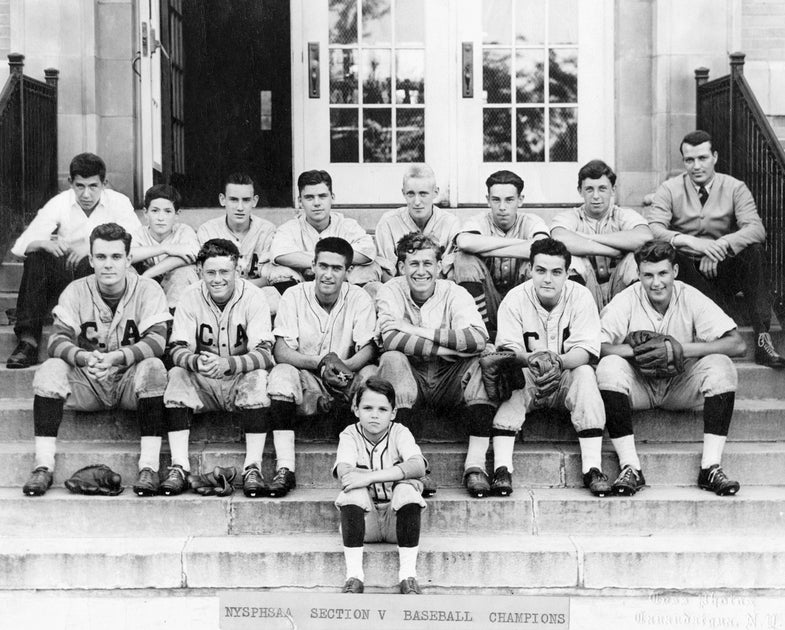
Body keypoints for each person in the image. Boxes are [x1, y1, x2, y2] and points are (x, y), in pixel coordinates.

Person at [21, 223, 170, 497]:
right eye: (100, 257)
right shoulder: (76, 290)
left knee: (154, 367)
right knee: (51, 368)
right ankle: (43, 465)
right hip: (88, 380)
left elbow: (158, 341)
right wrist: (84, 357)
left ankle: (149, 467)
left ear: (128, 259)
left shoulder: (147, 289)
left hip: (128, 381)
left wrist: (115, 357)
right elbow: (56, 340)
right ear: (90, 260)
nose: (108, 265)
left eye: (116, 257)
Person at [596, 242, 746, 496]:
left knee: (722, 366)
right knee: (609, 367)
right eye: (648, 275)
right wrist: (639, 351)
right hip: (640, 385)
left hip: (680, 384)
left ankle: (710, 466)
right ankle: (631, 466)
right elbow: (595, 346)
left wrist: (678, 349)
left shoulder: (689, 295)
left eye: (663, 273)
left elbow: (737, 343)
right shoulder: (627, 298)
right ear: (639, 274)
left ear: (675, 271)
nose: (656, 283)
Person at [645, 129, 784, 368]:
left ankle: (762, 338)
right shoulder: (669, 189)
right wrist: (691, 242)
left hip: (722, 268)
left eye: (702, 158)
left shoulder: (734, 187)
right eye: (689, 160)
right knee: (671, 253)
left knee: (754, 251)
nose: (696, 166)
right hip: (689, 273)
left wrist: (721, 244)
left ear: (715, 157)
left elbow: (756, 228)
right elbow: (654, 229)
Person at [375, 232, 496, 498]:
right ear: (401, 267)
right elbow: (392, 340)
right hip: (412, 376)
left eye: (428, 264)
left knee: (483, 361)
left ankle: (475, 466)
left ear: (439, 267)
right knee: (391, 360)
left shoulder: (455, 292)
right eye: (413, 263)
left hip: (449, 377)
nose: (421, 271)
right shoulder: (390, 290)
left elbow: (477, 339)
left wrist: (415, 330)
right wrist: (448, 348)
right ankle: (409, 464)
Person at [492, 238, 611, 497]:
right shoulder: (514, 298)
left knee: (585, 374)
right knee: (512, 375)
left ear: (567, 273)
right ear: (529, 270)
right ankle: (502, 468)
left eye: (556, 272)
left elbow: (586, 351)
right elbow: (508, 352)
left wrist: (558, 361)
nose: (548, 279)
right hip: (530, 374)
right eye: (541, 270)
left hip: (565, 374)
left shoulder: (580, 296)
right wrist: (533, 361)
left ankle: (592, 468)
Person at [161, 239, 276, 497]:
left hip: (238, 378)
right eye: (211, 272)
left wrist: (229, 364)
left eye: (225, 272)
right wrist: (195, 361)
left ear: (238, 269)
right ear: (200, 270)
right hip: (204, 379)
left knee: (258, 377)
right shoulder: (190, 296)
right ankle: (179, 466)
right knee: (177, 374)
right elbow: (176, 348)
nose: (217, 279)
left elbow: (266, 353)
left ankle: (253, 467)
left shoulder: (254, 295)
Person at [267, 237, 377, 497]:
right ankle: (285, 467)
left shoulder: (358, 296)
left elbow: (369, 348)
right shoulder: (294, 294)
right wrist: (322, 362)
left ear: (348, 271)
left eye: (336, 268)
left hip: (347, 375)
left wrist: (344, 367)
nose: (328, 274)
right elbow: (281, 351)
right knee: (281, 375)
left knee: (373, 376)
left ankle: (367, 463)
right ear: (312, 266)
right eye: (323, 266)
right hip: (308, 376)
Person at [7, 153, 140, 368]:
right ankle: (28, 341)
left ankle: (89, 338)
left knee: (95, 260)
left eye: (93, 186)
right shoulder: (60, 202)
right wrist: (44, 243)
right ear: (70, 183)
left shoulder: (119, 202)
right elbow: (21, 246)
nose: (86, 194)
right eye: (79, 186)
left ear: (104, 183)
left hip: (99, 277)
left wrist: (91, 246)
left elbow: (135, 243)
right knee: (36, 257)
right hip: (64, 279)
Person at [334, 377, 427, 595]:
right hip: (365, 523)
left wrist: (367, 477)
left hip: (398, 522)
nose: (375, 414)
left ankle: (408, 576)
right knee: (353, 491)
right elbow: (345, 474)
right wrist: (397, 474)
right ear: (356, 410)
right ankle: (354, 577)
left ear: (393, 413)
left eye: (382, 409)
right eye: (367, 407)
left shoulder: (399, 431)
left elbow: (418, 465)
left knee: (406, 491)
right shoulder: (349, 433)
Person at [452, 169, 549, 334]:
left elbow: (543, 248)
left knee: (537, 261)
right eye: (496, 200)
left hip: (521, 302)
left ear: (520, 200)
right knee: (464, 259)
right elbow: (464, 241)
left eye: (509, 200)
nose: (502, 207)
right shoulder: (478, 221)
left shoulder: (531, 221)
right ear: (488, 200)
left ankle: (532, 332)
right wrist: (523, 245)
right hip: (487, 302)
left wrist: (487, 249)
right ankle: (481, 332)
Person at [551, 159, 653, 308]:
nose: (596, 196)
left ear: (613, 190)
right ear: (580, 191)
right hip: (586, 290)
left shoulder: (622, 215)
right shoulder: (571, 216)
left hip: (620, 288)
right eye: (589, 189)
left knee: (634, 259)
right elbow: (557, 238)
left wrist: (588, 238)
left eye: (602, 188)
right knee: (571, 259)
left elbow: (645, 237)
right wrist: (611, 250)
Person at [269, 170, 379, 290]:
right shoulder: (289, 228)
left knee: (367, 270)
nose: (317, 203)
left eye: (322, 196)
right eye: (309, 198)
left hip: (343, 290)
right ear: (300, 201)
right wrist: (335, 260)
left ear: (332, 198)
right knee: (280, 271)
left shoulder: (347, 225)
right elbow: (279, 254)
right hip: (301, 292)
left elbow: (368, 251)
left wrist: (316, 261)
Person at [196, 172, 285, 311]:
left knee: (273, 297)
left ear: (254, 201)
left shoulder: (267, 230)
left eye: (246, 200)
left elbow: (268, 277)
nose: (240, 207)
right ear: (222, 199)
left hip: (255, 294)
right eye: (233, 199)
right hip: (217, 295)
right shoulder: (208, 230)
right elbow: (205, 276)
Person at [374, 164, 460, 281]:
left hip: (439, 291)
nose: (417, 202)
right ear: (403, 193)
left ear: (435, 192)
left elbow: (450, 272)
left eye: (423, 194)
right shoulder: (388, 222)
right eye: (411, 194)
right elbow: (386, 271)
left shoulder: (450, 223)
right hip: (399, 291)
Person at [130, 184, 199, 309]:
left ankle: (173, 321)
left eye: (167, 211)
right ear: (146, 213)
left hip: (174, 288)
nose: (160, 218)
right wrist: (164, 248)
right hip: (146, 289)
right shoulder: (139, 233)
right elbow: (126, 255)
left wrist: (147, 275)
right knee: (127, 270)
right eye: (155, 211)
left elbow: (192, 253)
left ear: (177, 215)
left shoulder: (183, 231)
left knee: (185, 271)